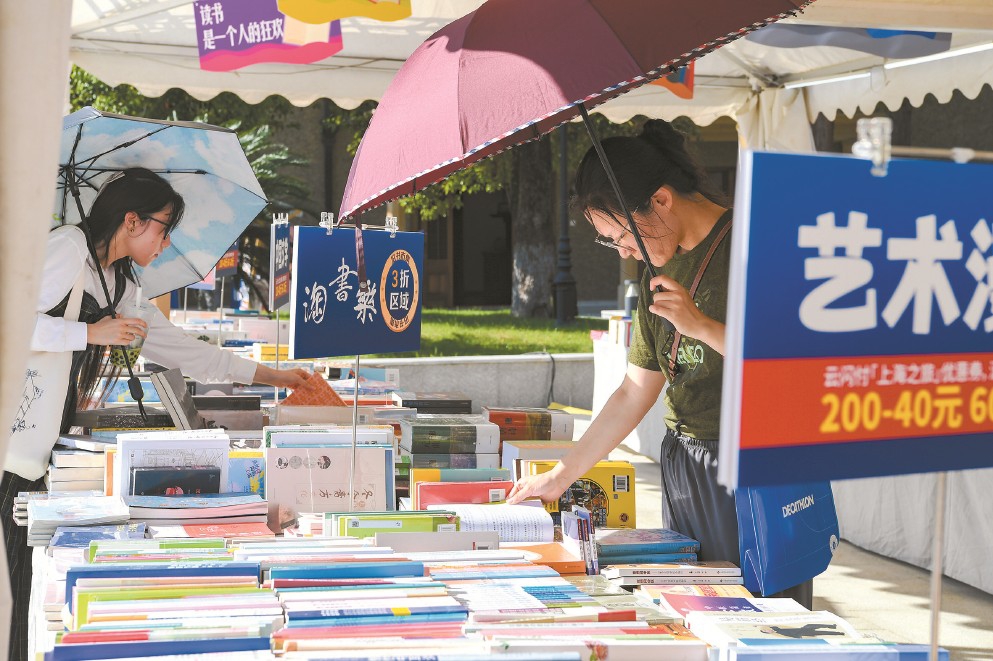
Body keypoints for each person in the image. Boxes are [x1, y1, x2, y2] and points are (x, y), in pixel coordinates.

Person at [1, 168, 308, 661]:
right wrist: (89, 334)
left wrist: (277, 377)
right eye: (164, 230)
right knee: (11, 579)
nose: (166, 244)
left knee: (23, 581)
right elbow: (10, 322)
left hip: (42, 444)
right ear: (132, 221)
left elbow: (184, 350)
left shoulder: (121, 283)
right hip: (14, 441)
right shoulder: (68, 248)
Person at [506, 119, 812, 608]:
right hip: (687, 464)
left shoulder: (756, 243)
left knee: (766, 618)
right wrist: (560, 476)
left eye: (623, 235)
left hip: (757, 467)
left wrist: (701, 325)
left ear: (662, 199)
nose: (624, 251)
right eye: (611, 242)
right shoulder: (659, 271)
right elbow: (633, 392)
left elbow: (795, 363)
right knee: (697, 614)